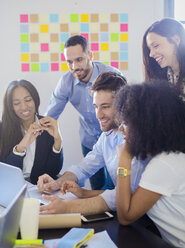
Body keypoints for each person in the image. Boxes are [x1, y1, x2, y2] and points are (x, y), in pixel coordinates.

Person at [37, 71, 149, 216]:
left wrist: (69, 206)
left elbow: (127, 195)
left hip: (143, 218)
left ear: (124, 105)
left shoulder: (137, 138)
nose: (98, 114)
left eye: (105, 106)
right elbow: (84, 168)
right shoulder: (107, 137)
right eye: (96, 106)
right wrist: (56, 183)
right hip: (124, 212)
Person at [115, 80, 185, 247]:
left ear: (144, 125)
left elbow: (125, 216)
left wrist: (124, 160)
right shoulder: (168, 157)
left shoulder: (164, 164)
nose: (121, 128)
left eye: (127, 123)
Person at [46, 35, 121, 190]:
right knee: (97, 185)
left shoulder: (112, 77)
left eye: (79, 60)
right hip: (89, 140)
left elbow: (126, 113)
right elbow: (49, 118)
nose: (74, 67)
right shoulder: (66, 82)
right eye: (69, 62)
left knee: (112, 186)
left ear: (90, 55)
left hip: (114, 138)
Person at [0, 80, 63, 184]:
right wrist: (21, 147)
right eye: (17, 103)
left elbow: (53, 172)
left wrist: (58, 141)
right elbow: (4, 173)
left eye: (28, 100)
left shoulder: (48, 125)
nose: (24, 107)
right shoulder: (2, 128)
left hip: (37, 189)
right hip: (11, 187)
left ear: (35, 100)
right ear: (10, 106)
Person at [142, 18, 185, 94]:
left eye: (155, 46)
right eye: (149, 49)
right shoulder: (158, 77)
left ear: (176, 40)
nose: (151, 54)